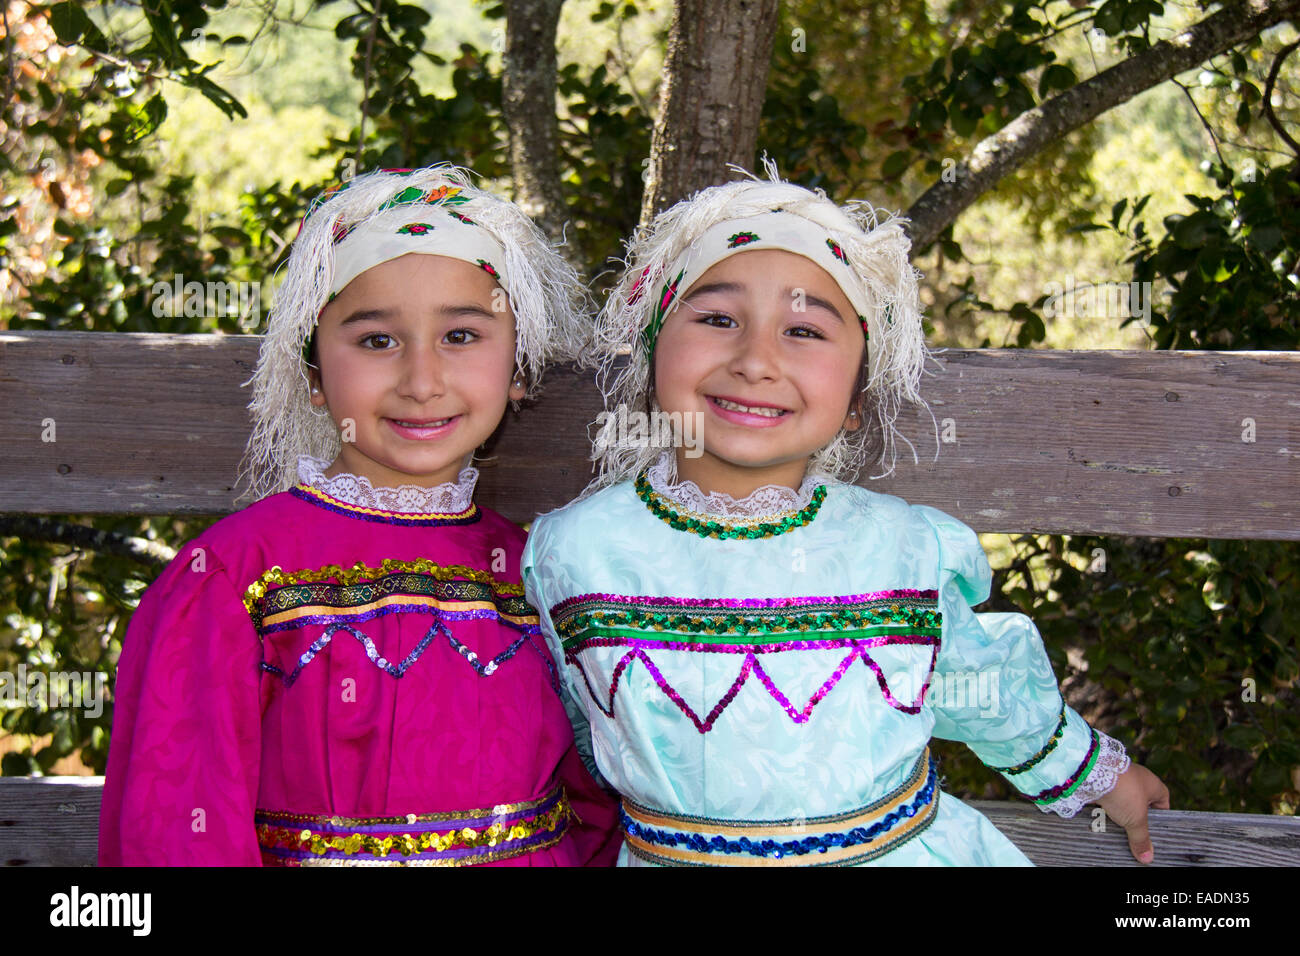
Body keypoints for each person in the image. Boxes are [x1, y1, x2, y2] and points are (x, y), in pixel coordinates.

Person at [522, 164, 1170, 866]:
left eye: (803, 330)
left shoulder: (900, 550)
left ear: (857, 398)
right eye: (716, 319)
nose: (755, 360)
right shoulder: (575, 552)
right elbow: (573, 727)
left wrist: (1098, 775)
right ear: (651, 356)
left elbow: (977, 686)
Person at [100, 166, 620, 866]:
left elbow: (594, 816)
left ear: (518, 367)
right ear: (314, 374)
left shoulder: (538, 575)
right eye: (377, 340)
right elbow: (178, 835)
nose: (422, 379)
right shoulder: (232, 581)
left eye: (461, 335)